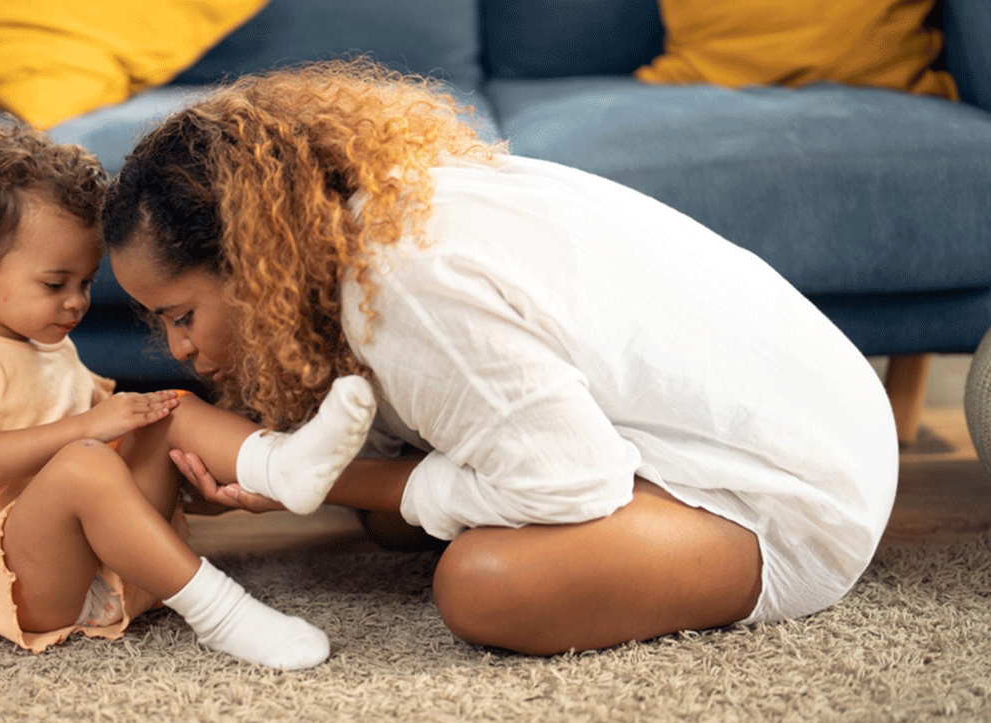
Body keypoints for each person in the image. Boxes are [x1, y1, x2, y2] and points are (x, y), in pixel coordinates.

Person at [102, 60, 900, 656]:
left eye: (180, 316)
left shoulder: (404, 283)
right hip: (818, 408)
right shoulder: (373, 212)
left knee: (486, 586)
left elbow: (571, 486)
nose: (177, 349)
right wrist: (292, 471)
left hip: (800, 493)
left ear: (254, 256)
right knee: (391, 522)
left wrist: (310, 477)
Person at [0, 121, 381, 669]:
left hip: (102, 554)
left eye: (86, 283)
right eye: (55, 284)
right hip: (23, 580)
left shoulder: (50, 348)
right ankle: (223, 614)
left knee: (168, 409)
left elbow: (111, 451)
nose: (76, 303)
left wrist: (175, 469)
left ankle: (280, 465)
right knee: (84, 461)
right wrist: (88, 429)